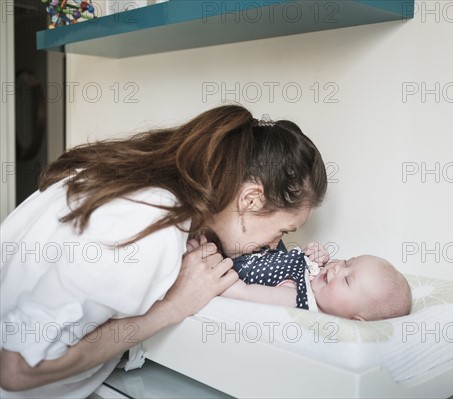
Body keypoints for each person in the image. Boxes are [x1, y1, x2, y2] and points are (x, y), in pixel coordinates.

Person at [0, 105, 327, 397]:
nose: (274, 246)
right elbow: (18, 367)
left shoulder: (130, 183)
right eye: (282, 231)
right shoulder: (152, 220)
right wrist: (173, 306)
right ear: (251, 199)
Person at [220, 243, 412, 321]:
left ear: (354, 320)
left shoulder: (298, 299)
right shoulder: (319, 279)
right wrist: (315, 254)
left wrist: (212, 266)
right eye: (346, 262)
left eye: (346, 280)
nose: (337, 268)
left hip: (227, 263)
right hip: (247, 246)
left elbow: (242, 292)